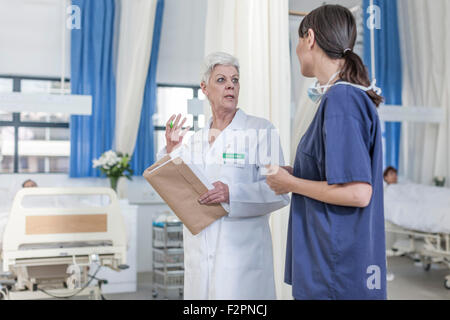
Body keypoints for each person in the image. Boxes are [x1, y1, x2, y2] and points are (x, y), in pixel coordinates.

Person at [266, 4, 386, 299]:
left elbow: (358, 193)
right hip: (331, 266)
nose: (296, 50)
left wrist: (290, 184)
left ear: (309, 38)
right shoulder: (340, 98)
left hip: (336, 272)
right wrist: (297, 173)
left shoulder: (342, 99)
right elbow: (334, 174)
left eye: (298, 40)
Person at [157, 52, 290, 299]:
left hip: (242, 261)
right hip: (200, 256)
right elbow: (175, 188)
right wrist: (172, 151)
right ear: (204, 88)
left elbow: (279, 191)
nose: (230, 85)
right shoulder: (194, 140)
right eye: (221, 80)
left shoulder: (261, 130)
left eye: (235, 80)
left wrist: (233, 194)